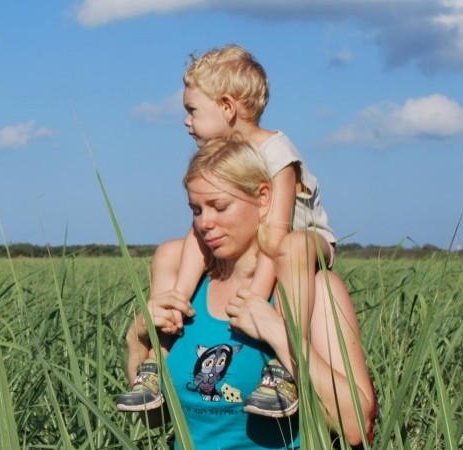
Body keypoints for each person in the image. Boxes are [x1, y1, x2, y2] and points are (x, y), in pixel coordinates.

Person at [116, 44, 337, 419]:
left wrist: (254, 298)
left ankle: (282, 368)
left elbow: (277, 232)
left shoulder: (276, 153)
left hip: (303, 239)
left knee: (294, 251)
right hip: (266, 242)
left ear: (227, 107)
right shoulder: (223, 157)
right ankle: (157, 357)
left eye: (192, 110)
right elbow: (196, 233)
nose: (186, 121)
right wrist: (177, 298)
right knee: (171, 251)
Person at [121, 136, 376, 448]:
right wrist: (137, 341)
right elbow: (154, 419)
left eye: (219, 206)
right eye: (196, 210)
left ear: (264, 198)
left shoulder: (313, 289)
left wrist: (279, 332)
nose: (205, 223)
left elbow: (355, 426)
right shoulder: (187, 294)